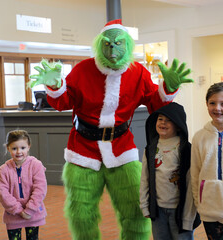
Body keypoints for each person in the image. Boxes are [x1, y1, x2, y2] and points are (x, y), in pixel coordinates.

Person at [29, 19, 194, 240]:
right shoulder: (82, 70)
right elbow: (63, 102)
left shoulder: (138, 73)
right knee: (81, 215)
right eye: (107, 43)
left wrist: (168, 89)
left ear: (126, 44)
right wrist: (56, 87)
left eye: (118, 43)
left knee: (135, 211)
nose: (113, 49)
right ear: (99, 45)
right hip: (83, 150)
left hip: (122, 148)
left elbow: (156, 103)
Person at [140, 102, 201, 240]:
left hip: (180, 212)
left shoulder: (186, 149)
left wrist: (188, 217)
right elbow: (145, 178)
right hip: (157, 210)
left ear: (178, 125)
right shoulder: (151, 148)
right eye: (160, 119)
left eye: (169, 120)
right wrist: (144, 205)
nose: (163, 123)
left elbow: (192, 183)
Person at [0, 130, 47, 240]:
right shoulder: (3, 170)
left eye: (23, 148)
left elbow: (40, 189)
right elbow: (3, 194)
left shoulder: (36, 165)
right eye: (14, 148)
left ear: (28, 147)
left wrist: (29, 210)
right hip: (13, 215)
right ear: (8, 148)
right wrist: (19, 210)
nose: (19, 152)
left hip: (33, 214)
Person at [191, 82, 223, 240]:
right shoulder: (199, 137)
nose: (217, 108)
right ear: (206, 104)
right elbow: (195, 173)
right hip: (209, 208)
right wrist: (199, 203)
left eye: (222, 104)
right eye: (212, 103)